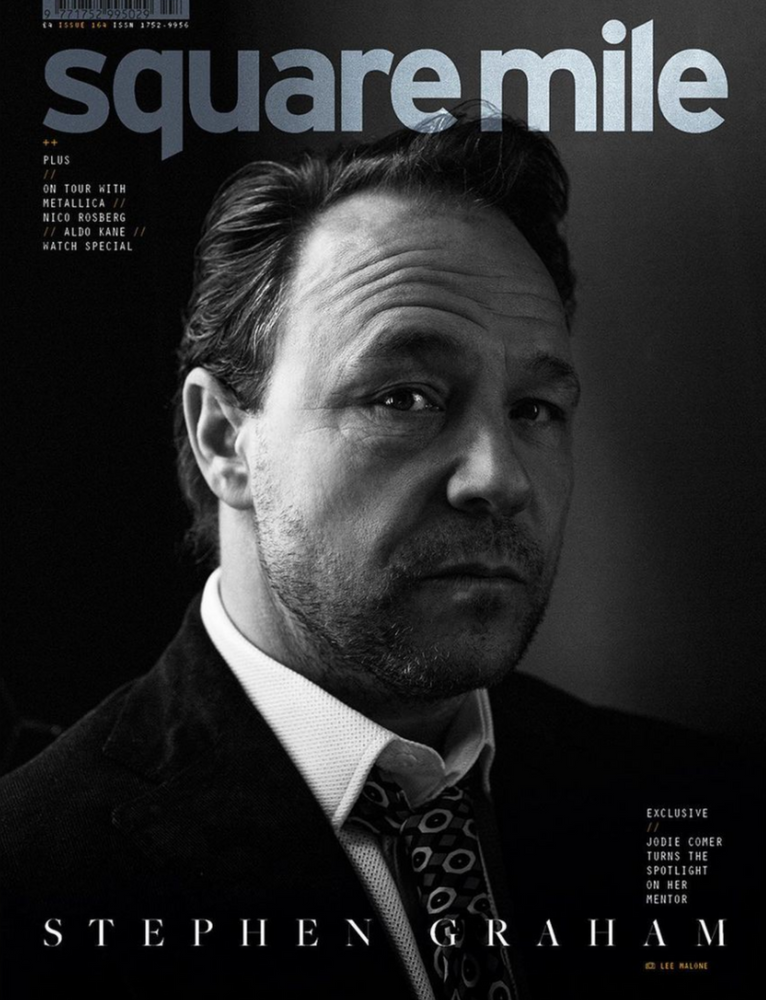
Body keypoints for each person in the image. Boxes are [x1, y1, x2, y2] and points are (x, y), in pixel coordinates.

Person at [0, 113, 760, 1000]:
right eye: (404, 397)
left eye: (534, 409)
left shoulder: (694, 807)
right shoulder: (36, 878)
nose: (499, 478)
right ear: (224, 440)